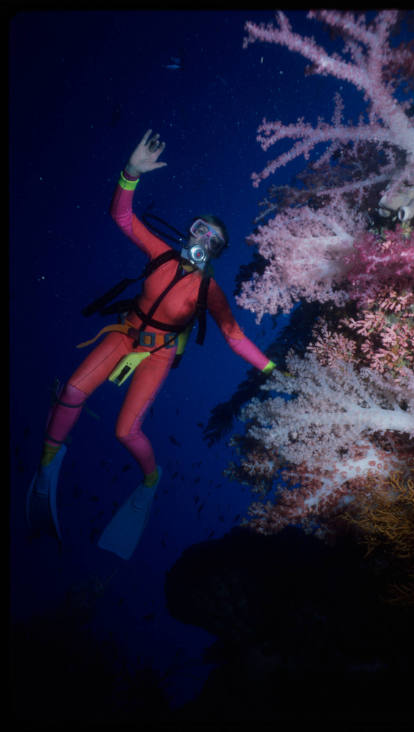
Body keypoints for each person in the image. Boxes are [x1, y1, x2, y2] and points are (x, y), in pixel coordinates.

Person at [27, 129, 276, 559]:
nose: (202, 241)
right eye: (200, 231)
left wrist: (272, 370)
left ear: (217, 253)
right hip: (124, 334)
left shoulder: (210, 293)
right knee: (70, 391)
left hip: (159, 352)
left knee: (127, 431)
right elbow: (122, 217)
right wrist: (130, 173)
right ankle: (48, 465)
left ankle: (150, 479)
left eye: (213, 241)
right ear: (189, 231)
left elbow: (234, 337)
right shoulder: (160, 252)